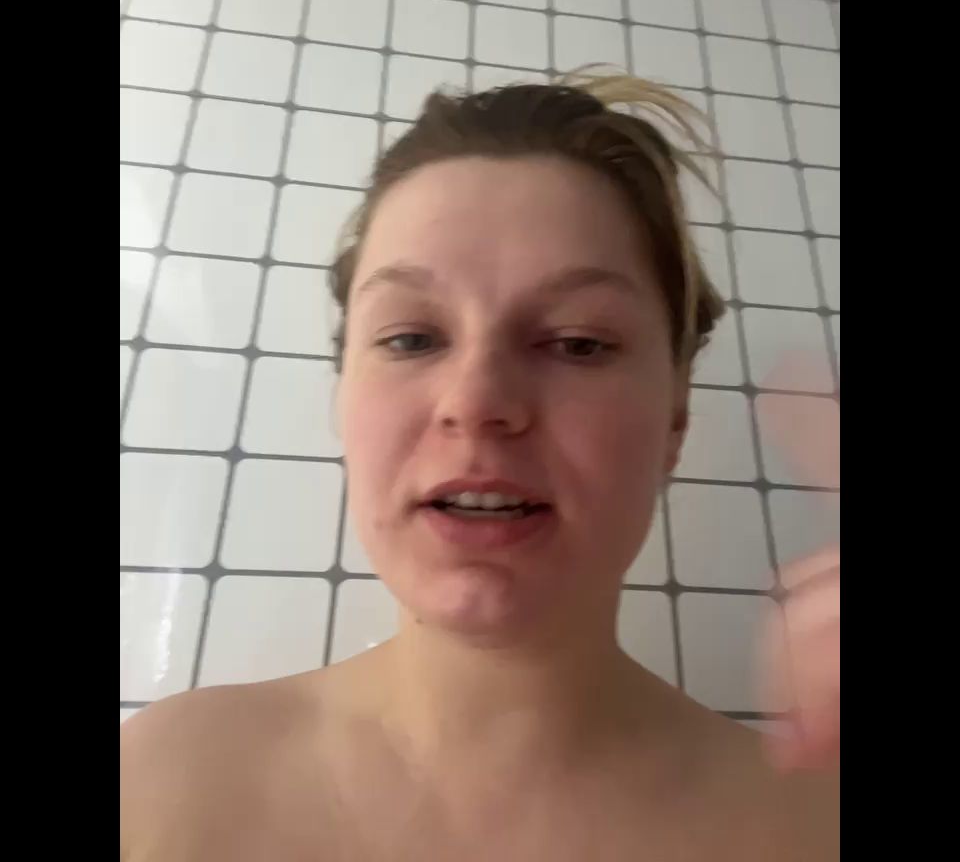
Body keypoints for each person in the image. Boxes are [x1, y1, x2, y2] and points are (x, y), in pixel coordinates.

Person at [120, 73, 839, 861]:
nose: (476, 402)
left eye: (578, 343)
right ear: (343, 393)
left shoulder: (812, 824)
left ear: (675, 418)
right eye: (411, 339)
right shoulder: (159, 782)